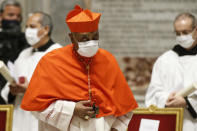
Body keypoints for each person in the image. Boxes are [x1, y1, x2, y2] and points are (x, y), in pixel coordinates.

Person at [21, 5, 138, 131]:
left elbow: (124, 106)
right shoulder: (51, 61)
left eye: (95, 37)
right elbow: (36, 106)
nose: (91, 42)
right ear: (72, 38)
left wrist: (116, 129)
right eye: (84, 38)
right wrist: (72, 109)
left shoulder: (108, 60)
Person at [1, 12, 62, 131]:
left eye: (32, 27)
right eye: (27, 26)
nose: (28, 31)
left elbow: (60, 91)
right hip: (20, 117)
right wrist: (13, 90)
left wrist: (30, 89)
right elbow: (11, 85)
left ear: (46, 29)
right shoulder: (24, 54)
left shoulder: (58, 54)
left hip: (41, 119)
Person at [145, 13, 197, 131]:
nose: (181, 36)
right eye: (177, 33)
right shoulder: (164, 60)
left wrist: (188, 103)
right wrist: (167, 99)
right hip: (170, 124)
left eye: (185, 32)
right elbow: (153, 94)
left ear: (196, 30)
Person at [0, 0, 28, 104]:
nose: (15, 19)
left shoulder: (26, 41)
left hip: (16, 97)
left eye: (18, 16)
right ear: (1, 16)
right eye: (11, 15)